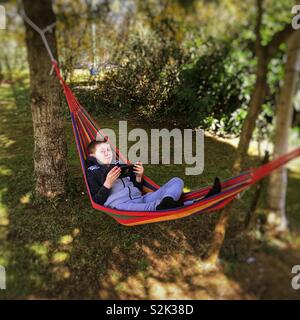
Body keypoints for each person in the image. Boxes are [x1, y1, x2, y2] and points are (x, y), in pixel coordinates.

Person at [86, 139, 221, 211]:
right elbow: (96, 201)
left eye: (108, 149)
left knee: (177, 180)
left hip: (141, 198)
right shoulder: (94, 172)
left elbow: (137, 188)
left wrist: (138, 177)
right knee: (155, 206)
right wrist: (107, 184)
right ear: (93, 155)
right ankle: (200, 201)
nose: (107, 153)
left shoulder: (120, 164)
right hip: (122, 206)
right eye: (102, 151)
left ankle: (168, 201)